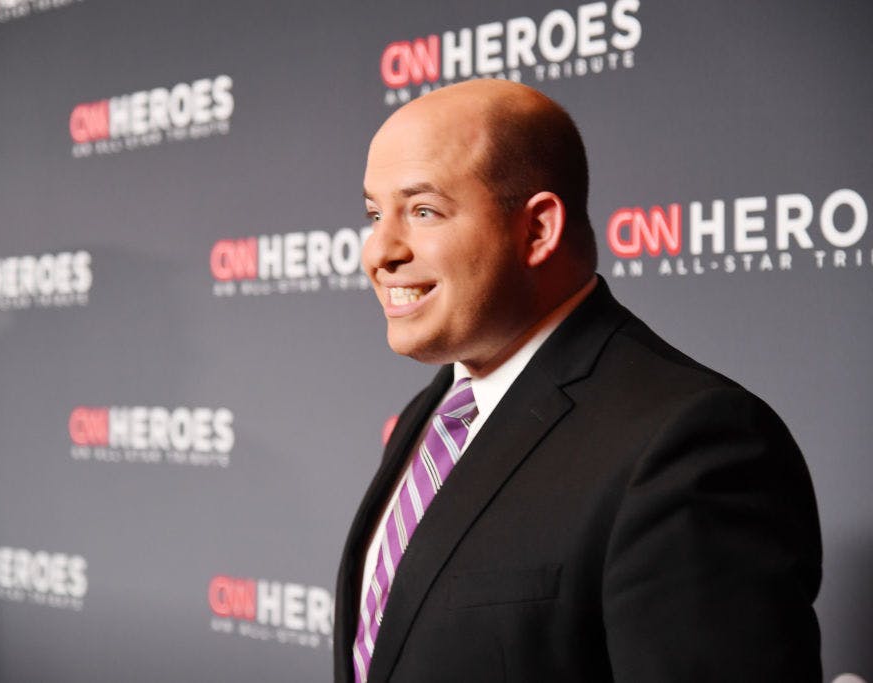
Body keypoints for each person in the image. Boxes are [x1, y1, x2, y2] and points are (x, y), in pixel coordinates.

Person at [333, 79, 821, 682]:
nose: (377, 252)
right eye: (374, 215)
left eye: (423, 211)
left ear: (538, 230)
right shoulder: (430, 415)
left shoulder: (692, 444)